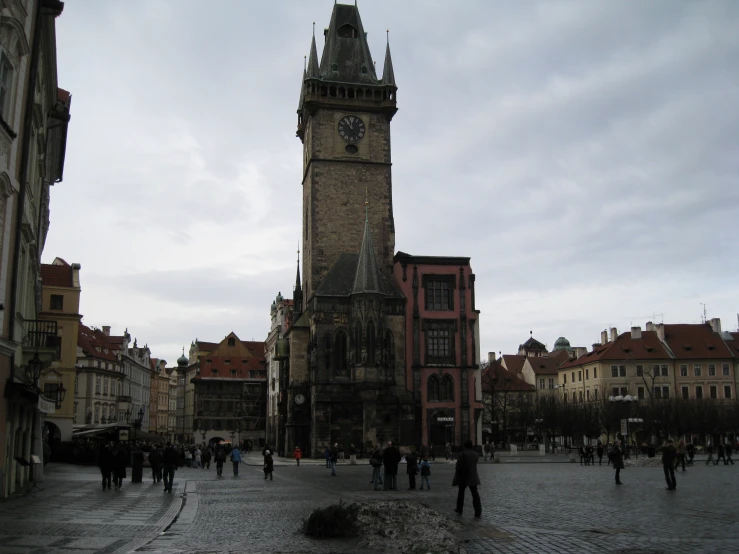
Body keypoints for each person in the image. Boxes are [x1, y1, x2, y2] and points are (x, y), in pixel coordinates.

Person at [453, 440, 481, 518]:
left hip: (464, 477)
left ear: (465, 446)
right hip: (473, 476)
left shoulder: (462, 454)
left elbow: (458, 466)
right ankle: (478, 511)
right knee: (475, 494)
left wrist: (457, 476)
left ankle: (459, 509)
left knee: (461, 493)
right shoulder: (476, 454)